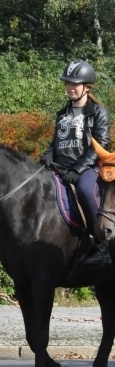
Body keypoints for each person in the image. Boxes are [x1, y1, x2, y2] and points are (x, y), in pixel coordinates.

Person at [40, 59, 111, 266]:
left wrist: (78, 169)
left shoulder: (98, 113)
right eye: (68, 83)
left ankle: (100, 245)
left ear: (86, 87)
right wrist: (48, 153)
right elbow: (55, 142)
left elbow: (99, 147)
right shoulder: (62, 114)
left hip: (86, 168)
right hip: (58, 166)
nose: (70, 87)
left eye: (74, 84)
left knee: (86, 191)